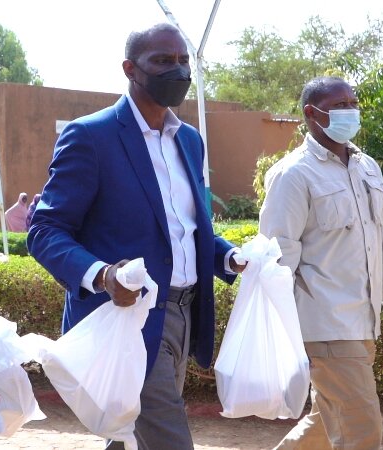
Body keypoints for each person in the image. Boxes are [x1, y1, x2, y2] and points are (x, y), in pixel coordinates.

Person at [27, 23, 244, 450]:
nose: (178, 71)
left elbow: (185, 226)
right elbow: (45, 230)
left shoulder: (189, 140)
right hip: (129, 318)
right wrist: (102, 275)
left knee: (129, 436)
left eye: (183, 61)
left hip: (183, 313)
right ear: (130, 68)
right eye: (163, 61)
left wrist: (229, 257)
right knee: (166, 437)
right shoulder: (91, 136)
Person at [259, 76, 383, 449]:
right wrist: (282, 333)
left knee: (324, 423)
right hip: (325, 326)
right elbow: (278, 260)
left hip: (363, 322)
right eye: (340, 105)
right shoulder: (293, 175)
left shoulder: (367, 168)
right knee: (361, 430)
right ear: (312, 114)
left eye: (353, 103)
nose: (351, 111)